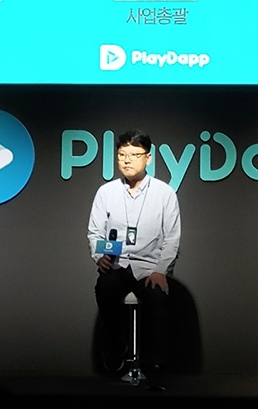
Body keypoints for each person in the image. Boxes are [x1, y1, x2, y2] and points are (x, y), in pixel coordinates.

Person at [87, 129, 181, 391]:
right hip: (118, 264)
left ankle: (155, 366)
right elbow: (95, 232)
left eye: (134, 155)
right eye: (121, 155)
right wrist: (99, 256)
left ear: (148, 158)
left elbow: (172, 238)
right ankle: (116, 349)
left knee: (157, 299)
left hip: (150, 267)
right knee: (105, 289)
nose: (127, 160)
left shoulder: (164, 193)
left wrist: (161, 270)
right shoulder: (106, 192)